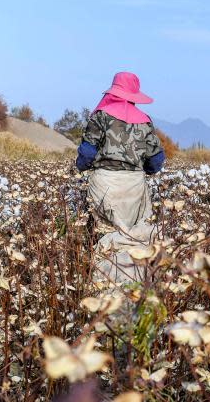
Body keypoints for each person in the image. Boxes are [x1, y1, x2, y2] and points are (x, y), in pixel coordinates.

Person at [75, 72, 165, 284]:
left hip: (103, 183)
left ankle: (101, 282)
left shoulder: (100, 116)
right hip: (134, 185)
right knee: (133, 236)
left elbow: (87, 153)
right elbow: (156, 160)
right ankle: (135, 281)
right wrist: (145, 169)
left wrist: (80, 167)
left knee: (105, 234)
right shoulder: (144, 121)